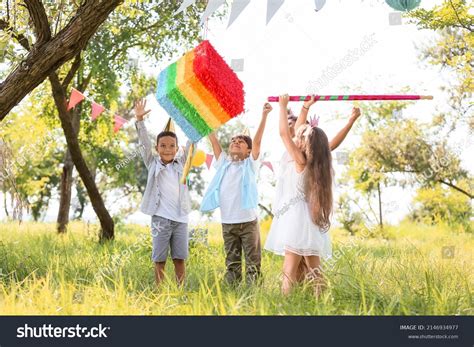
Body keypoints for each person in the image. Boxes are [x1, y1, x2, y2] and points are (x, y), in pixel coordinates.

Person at [201, 103, 273, 285]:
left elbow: (256, 142)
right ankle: (232, 290)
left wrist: (264, 115)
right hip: (228, 223)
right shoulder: (223, 163)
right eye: (233, 140)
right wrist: (207, 119)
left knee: (252, 263)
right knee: (232, 263)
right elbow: (214, 140)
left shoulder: (250, 165)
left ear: (248, 152)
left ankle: (252, 293)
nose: (235, 142)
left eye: (241, 142)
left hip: (248, 223)